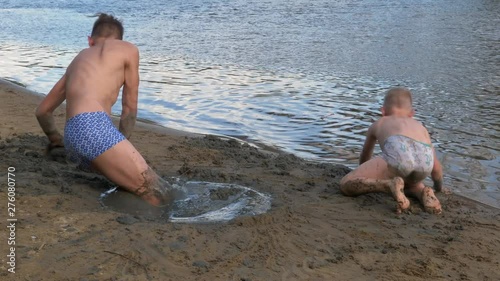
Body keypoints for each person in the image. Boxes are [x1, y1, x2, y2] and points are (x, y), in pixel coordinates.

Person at [35, 13, 174, 206]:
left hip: (72, 137)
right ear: (120, 40)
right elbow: (129, 109)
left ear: (90, 40)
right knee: (157, 191)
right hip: (95, 129)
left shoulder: (78, 59)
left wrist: (57, 141)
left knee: (131, 183)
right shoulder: (128, 49)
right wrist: (122, 143)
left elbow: (42, 111)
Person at [339, 87, 445, 214]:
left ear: (383, 111)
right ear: (412, 113)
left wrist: (363, 173)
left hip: (399, 157)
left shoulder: (380, 122)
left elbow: (366, 155)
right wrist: (439, 187)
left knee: (346, 183)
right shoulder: (422, 128)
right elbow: (436, 168)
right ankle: (424, 192)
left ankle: (388, 185)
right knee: (411, 182)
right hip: (425, 164)